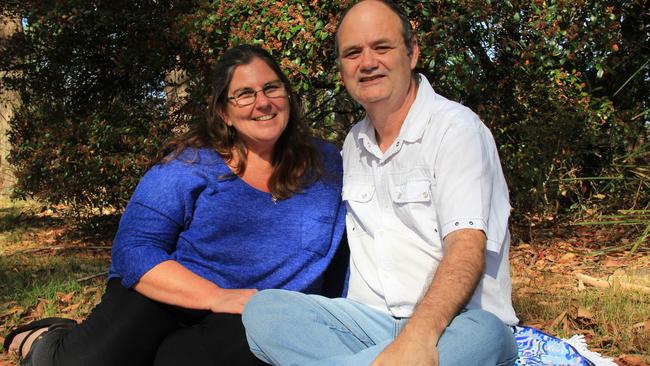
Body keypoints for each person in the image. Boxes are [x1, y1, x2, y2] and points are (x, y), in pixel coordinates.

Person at [3, 44, 346, 366]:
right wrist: (214, 296)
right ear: (224, 113)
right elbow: (134, 249)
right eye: (244, 94)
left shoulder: (328, 165)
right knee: (86, 362)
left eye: (272, 88)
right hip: (166, 292)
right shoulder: (190, 165)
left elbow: (345, 249)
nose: (263, 102)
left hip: (250, 312)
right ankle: (46, 341)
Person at [242, 1, 519, 365]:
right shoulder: (353, 144)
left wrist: (418, 338)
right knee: (264, 310)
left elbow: (466, 247)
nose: (368, 62)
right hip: (367, 324)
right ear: (342, 69)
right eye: (353, 53)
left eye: (382, 47)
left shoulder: (456, 130)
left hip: (456, 324)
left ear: (412, 52)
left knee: (483, 337)